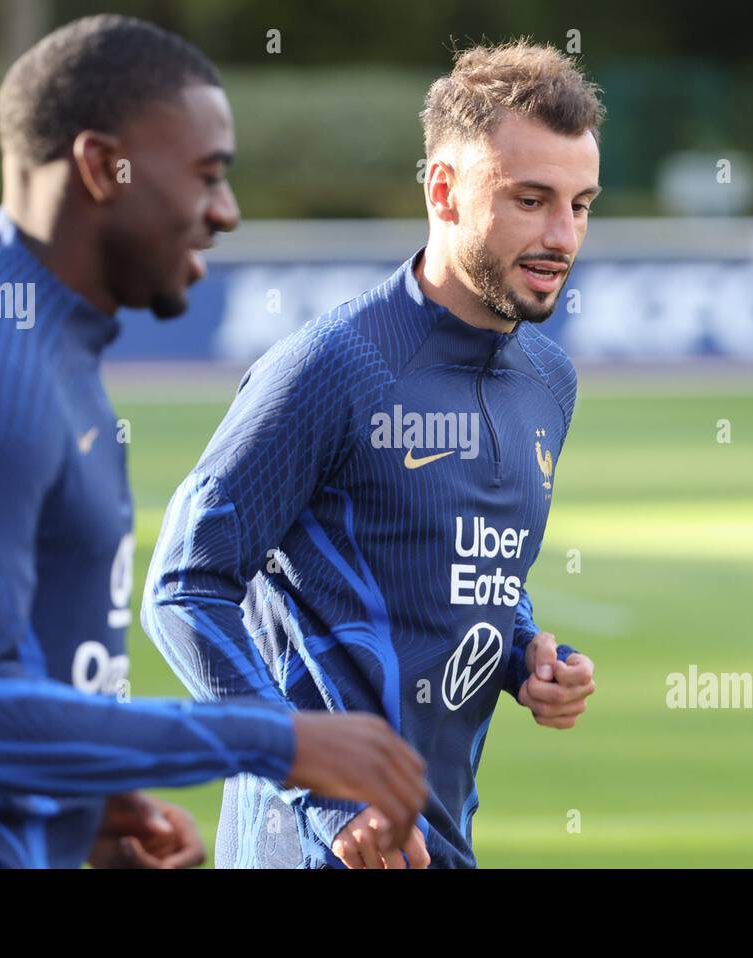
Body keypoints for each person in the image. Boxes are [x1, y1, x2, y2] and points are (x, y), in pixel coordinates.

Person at [0, 14, 425, 869]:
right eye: (206, 175)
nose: (226, 213)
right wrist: (274, 738)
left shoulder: (42, 346)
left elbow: (11, 668)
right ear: (97, 166)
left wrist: (84, 808)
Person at [142, 39, 600, 869]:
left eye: (581, 204)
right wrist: (323, 795)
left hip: (441, 843)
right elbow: (182, 587)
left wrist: (528, 654)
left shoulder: (548, 380)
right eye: (530, 200)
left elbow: (456, 571)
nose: (561, 235)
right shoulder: (333, 367)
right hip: (306, 851)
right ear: (443, 191)